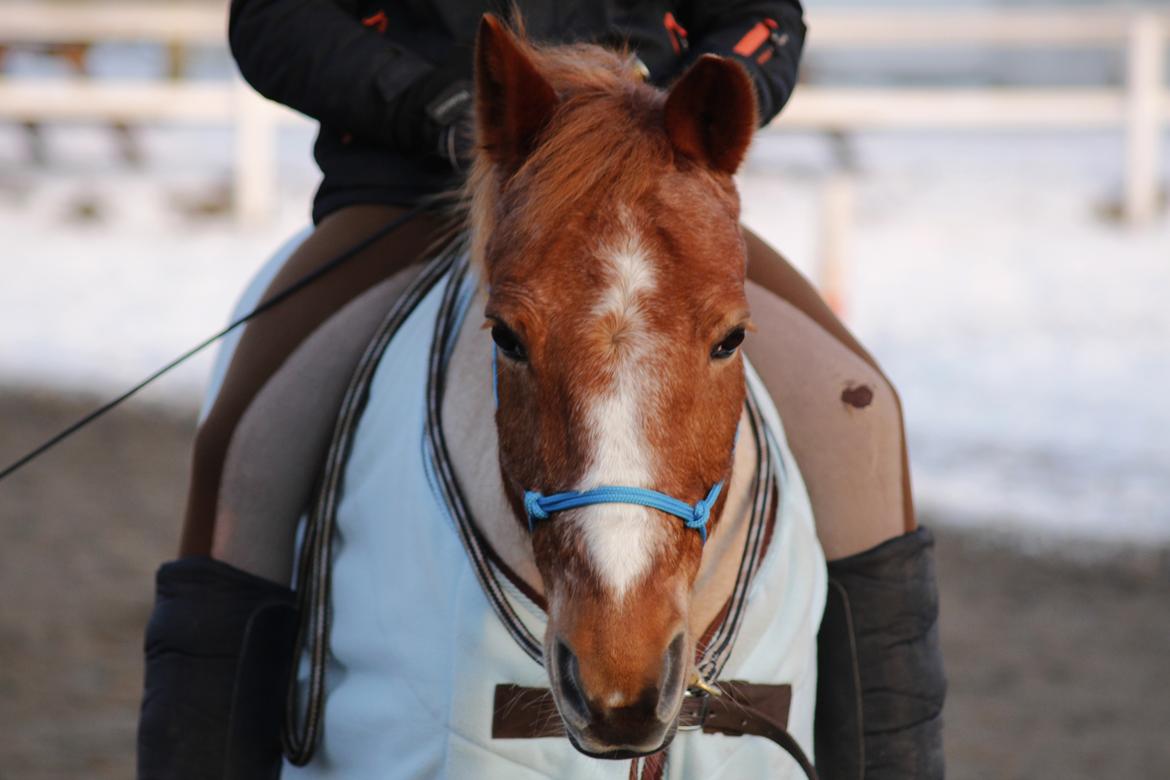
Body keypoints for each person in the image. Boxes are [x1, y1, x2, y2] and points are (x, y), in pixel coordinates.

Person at [137, 3, 945, 778]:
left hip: (652, 174)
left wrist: (699, 99)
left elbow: (765, 14)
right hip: (411, 185)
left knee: (859, 411)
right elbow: (274, 16)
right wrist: (427, 100)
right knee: (246, 441)